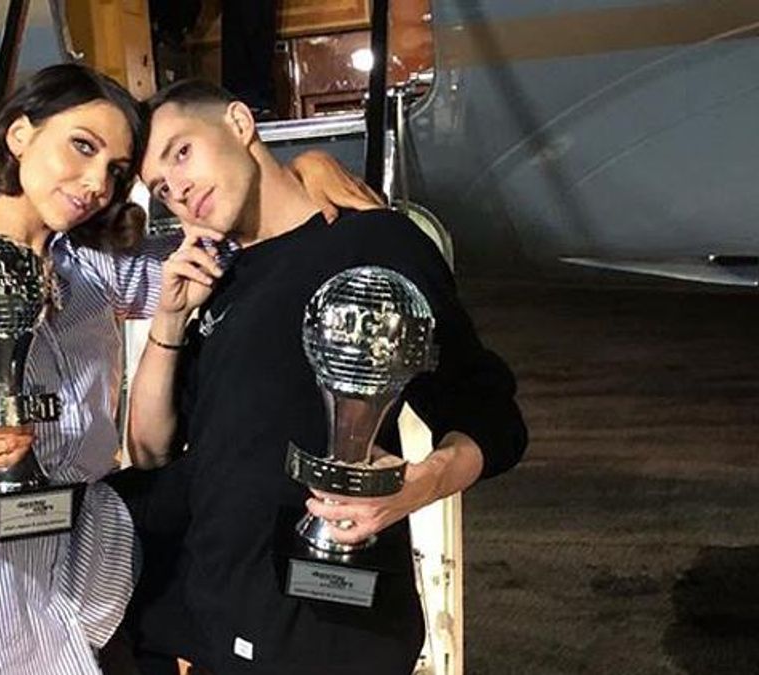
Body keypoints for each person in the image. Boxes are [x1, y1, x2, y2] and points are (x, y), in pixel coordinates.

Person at [0, 63, 372, 675]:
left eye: (114, 170)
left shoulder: (90, 274)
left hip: (86, 587)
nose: (96, 185)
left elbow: (231, 238)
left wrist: (302, 167)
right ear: (20, 134)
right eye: (82, 147)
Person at [120, 80, 528, 674]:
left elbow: (490, 415)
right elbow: (152, 451)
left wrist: (418, 485)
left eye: (182, 152)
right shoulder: (216, 282)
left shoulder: (373, 242)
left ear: (239, 123)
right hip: (218, 626)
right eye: (160, 186)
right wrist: (170, 319)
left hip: (333, 628)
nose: (177, 189)